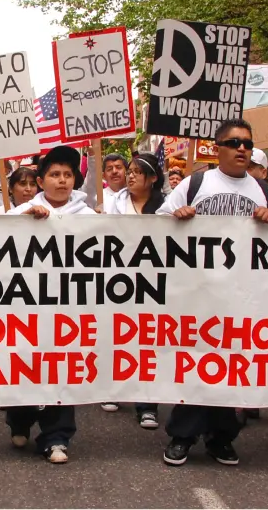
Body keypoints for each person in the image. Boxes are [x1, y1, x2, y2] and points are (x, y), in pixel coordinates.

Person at [156, 118, 268, 469]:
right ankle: (182, 436)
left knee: (230, 369)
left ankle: (221, 438)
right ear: (217, 148)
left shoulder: (265, 191)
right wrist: (176, 216)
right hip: (197, 295)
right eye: (233, 143)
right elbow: (156, 226)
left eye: (246, 142)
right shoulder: (196, 183)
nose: (242, 148)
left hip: (243, 299)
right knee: (196, 364)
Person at [0, 145, 93, 464]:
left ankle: (56, 437)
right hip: (25, 312)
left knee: (62, 369)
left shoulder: (91, 216)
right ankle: (19, 419)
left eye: (67, 175)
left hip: (68, 312)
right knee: (25, 366)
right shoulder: (17, 213)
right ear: (41, 181)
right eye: (54, 174)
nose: (61, 180)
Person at [100, 152, 167, 427]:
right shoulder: (115, 203)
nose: (129, 175)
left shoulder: (167, 206)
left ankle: (147, 403)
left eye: (137, 172)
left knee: (148, 341)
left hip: (153, 283)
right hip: (119, 280)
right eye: (129, 170)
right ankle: (113, 388)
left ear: (152, 178)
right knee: (118, 336)